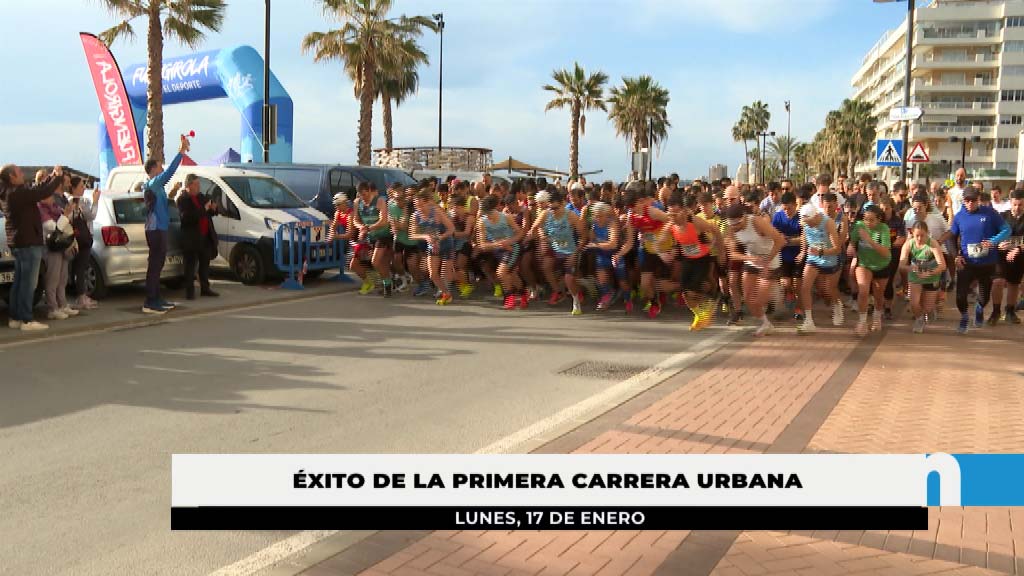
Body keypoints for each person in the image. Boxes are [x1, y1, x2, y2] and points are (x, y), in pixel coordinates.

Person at [1, 164, 65, 331]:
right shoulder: (17, 193)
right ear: (12, 177)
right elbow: (41, 192)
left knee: (19, 282)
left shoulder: (9, 192)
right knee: (28, 284)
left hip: (19, 242)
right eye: (19, 172)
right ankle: (26, 319)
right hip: (28, 242)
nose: (22, 174)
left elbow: (36, 189)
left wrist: (51, 177)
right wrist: (57, 177)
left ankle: (15, 317)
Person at [948, 187, 1011, 333]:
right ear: (963, 201)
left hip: (987, 262)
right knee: (960, 295)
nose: (970, 203)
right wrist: (956, 256)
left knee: (984, 297)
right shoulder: (959, 216)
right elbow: (951, 238)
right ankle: (964, 317)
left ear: (978, 200)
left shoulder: (990, 213)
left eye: (973, 200)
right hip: (966, 262)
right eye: (967, 200)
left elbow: (1007, 230)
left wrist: (993, 241)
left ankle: (979, 308)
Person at [142, 134, 189, 314]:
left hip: (160, 228)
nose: (162, 168)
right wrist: (181, 152)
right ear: (153, 169)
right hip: (155, 230)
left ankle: (156, 297)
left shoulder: (158, 187)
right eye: (159, 166)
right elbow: (169, 172)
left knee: (158, 264)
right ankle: (150, 301)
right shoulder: (153, 183)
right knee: (155, 265)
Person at [724, 202, 785, 336]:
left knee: (760, 300)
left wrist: (767, 261)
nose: (735, 228)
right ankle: (766, 324)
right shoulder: (731, 229)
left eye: (737, 224)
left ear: (744, 217)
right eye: (732, 225)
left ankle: (775, 291)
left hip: (771, 259)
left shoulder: (757, 222)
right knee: (748, 299)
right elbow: (732, 254)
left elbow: (780, 241)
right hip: (752, 259)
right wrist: (750, 258)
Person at [796, 202, 843, 333]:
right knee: (805, 287)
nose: (809, 225)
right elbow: (804, 237)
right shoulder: (805, 223)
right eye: (806, 223)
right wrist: (802, 251)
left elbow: (837, 249)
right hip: (813, 257)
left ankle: (837, 306)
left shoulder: (828, 223)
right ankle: (809, 321)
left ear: (816, 216)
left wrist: (821, 252)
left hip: (829, 258)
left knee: (830, 290)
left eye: (810, 223)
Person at [477, 194, 526, 310]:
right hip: (499, 250)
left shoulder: (506, 217)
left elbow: (520, 233)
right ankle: (523, 295)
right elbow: (482, 245)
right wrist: (497, 244)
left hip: (512, 248)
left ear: (494, 209)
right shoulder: (482, 222)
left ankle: (510, 297)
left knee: (501, 272)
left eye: (488, 213)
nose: (487, 216)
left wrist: (509, 241)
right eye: (484, 213)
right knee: (511, 275)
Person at [176, 173, 220, 300]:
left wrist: (214, 208)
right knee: (190, 266)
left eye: (199, 184)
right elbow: (187, 217)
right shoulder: (183, 199)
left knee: (205, 264)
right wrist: (204, 209)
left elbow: (209, 212)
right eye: (196, 184)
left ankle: (205, 288)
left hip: (205, 236)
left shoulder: (201, 197)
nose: (198, 187)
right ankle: (189, 292)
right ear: (189, 185)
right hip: (191, 238)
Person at [850, 204, 891, 336]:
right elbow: (852, 242)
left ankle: (877, 316)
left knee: (878, 294)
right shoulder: (859, 226)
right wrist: (851, 249)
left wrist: (869, 241)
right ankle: (862, 322)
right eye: (866, 219)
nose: (868, 222)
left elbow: (885, 252)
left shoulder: (884, 229)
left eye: (871, 220)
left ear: (879, 219)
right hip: (864, 263)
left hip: (881, 264)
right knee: (863, 291)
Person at [38, 191, 79, 321]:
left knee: (62, 277)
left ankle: (63, 304)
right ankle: (53, 308)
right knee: (53, 279)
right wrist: (65, 215)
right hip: (51, 247)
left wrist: (69, 212)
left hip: (61, 246)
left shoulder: (55, 208)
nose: (52, 198)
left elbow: (66, 221)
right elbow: (53, 227)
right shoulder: (41, 209)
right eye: (49, 195)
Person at [900, 221, 946, 333]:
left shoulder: (933, 244)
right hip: (915, 275)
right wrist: (910, 268)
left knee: (927, 307)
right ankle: (919, 319)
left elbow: (942, 265)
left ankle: (933, 305)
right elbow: (901, 265)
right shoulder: (908, 244)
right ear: (912, 233)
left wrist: (929, 273)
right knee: (914, 302)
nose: (919, 239)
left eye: (922, 235)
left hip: (931, 275)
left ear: (927, 233)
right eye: (917, 235)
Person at [989, 189, 1024, 324]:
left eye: (1020, 205)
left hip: (1019, 256)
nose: (1017, 208)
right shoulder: (1002, 217)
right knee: (997, 281)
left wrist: (1017, 249)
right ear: (1010, 203)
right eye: (1015, 204)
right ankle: (995, 311)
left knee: (1014, 283)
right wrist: (998, 243)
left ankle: (1010, 311)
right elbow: (992, 234)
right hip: (1000, 256)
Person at [67, 177, 100, 310]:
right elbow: (91, 216)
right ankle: (81, 297)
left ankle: (82, 295)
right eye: (81, 186)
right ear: (73, 188)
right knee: (81, 268)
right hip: (81, 239)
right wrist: (95, 201)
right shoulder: (78, 201)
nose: (84, 188)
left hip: (78, 238)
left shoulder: (72, 201)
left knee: (79, 268)